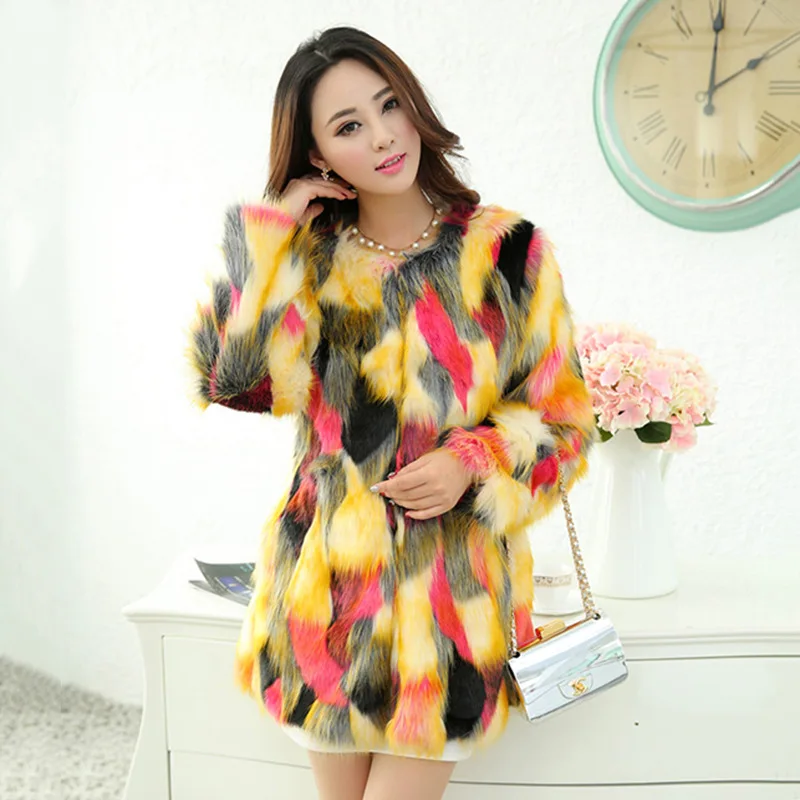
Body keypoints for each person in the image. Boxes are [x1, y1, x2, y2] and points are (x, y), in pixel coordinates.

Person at [186, 25, 597, 800]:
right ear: (317, 154)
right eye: (348, 126)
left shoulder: (507, 253)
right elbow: (236, 383)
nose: (381, 136)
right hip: (323, 603)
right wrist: (270, 238)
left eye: (389, 106)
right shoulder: (305, 258)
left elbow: (565, 423)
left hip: (448, 610)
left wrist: (471, 461)